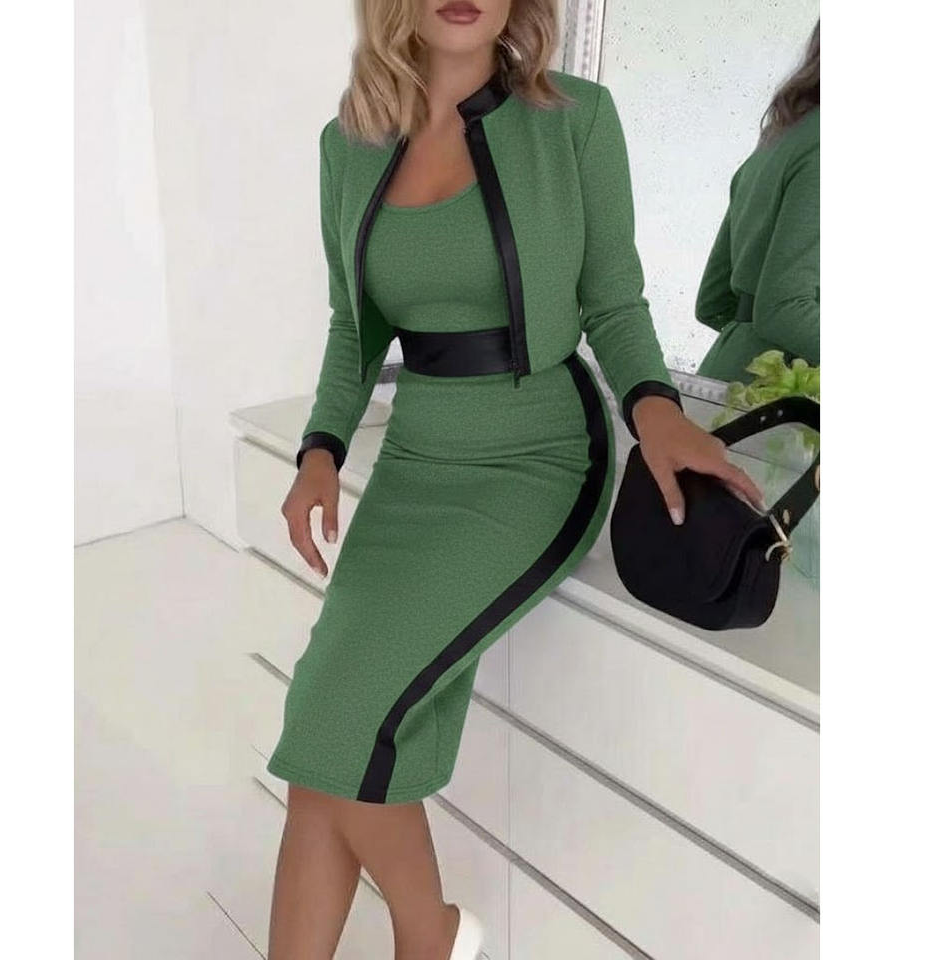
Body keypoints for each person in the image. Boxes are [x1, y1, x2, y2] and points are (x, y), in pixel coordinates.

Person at [268, 2, 763, 957]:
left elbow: (613, 299)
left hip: (538, 454)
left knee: (337, 719)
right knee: (322, 747)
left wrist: (657, 410)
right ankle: (437, 937)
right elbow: (352, 327)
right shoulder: (349, 143)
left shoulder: (575, 120)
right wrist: (320, 448)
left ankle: (430, 936)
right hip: (417, 454)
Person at [695, 20, 820, 383]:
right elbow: (783, 307)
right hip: (782, 403)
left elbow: (713, 302)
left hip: (728, 385)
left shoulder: (783, 136)